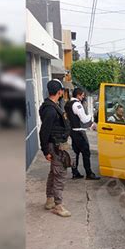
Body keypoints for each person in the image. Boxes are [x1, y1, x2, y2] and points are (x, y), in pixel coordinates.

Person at [39, 79, 72, 217]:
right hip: (56, 146)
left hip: (56, 145)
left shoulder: (53, 106)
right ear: (59, 91)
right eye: (62, 90)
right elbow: (43, 132)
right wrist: (46, 151)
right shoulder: (51, 110)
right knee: (59, 174)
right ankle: (58, 205)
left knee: (54, 173)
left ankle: (50, 200)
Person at [65, 87, 100, 180]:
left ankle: (75, 172)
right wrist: (90, 118)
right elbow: (84, 119)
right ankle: (89, 174)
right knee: (86, 153)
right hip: (79, 132)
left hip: (72, 131)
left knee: (76, 153)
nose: (83, 97)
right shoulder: (77, 105)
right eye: (83, 95)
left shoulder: (68, 103)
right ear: (78, 95)